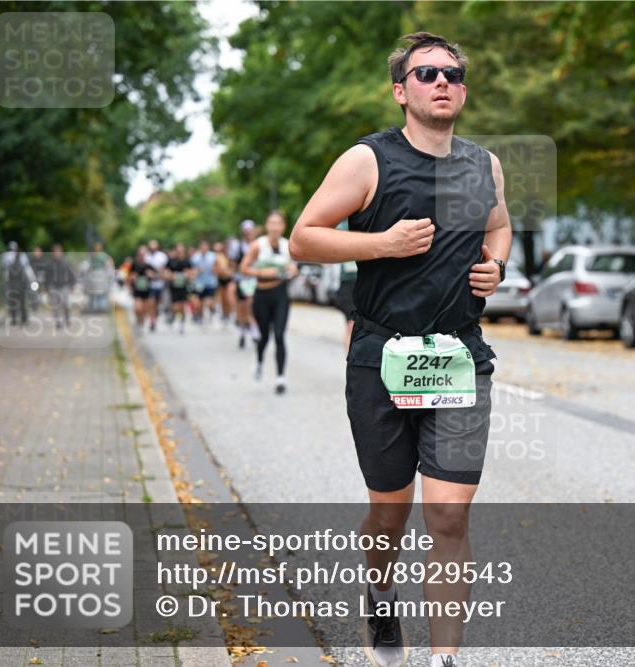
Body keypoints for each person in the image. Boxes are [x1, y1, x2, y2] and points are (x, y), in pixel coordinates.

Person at [288, 32, 510, 667]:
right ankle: (380, 589)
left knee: (448, 519)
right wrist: (382, 244)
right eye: (427, 73)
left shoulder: (483, 165)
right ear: (401, 91)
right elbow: (304, 239)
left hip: (461, 358)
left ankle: (442, 660)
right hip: (381, 359)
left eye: (454, 73)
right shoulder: (368, 160)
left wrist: (495, 265)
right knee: (390, 515)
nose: (443, 81)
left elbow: (498, 226)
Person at [240, 211, 298, 394]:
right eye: (272, 223)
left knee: (280, 335)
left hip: (280, 293)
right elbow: (244, 268)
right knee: (264, 336)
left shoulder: (287, 245)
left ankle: (281, 378)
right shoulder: (258, 245)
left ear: (283, 226)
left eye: (278, 223)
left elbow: (294, 268)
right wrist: (263, 273)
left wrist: (291, 271)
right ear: (266, 225)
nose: (275, 227)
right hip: (262, 294)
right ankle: (259, 362)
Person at [329, 220, 358, 353]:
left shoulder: (369, 219)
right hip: (346, 284)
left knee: (357, 326)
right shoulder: (340, 227)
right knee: (352, 324)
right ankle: (350, 360)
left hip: (365, 281)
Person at [231, 220, 260, 348]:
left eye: (250, 230)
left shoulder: (259, 245)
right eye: (246, 231)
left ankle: (253, 329)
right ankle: (243, 330)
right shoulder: (237, 246)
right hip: (242, 280)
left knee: (251, 305)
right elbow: (232, 263)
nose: (248, 233)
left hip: (254, 280)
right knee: (242, 307)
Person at [1, 241, 38, 326]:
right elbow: (28, 270)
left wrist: (6, 283)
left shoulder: (5, 256)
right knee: (22, 302)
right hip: (21, 284)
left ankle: (14, 320)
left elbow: (5, 273)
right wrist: (33, 280)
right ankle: (24, 319)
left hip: (12, 284)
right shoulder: (22, 256)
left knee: (13, 302)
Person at [164, 243, 193, 335]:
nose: (180, 252)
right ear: (175, 251)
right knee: (175, 306)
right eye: (178, 250)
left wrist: (187, 275)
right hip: (174, 287)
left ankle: (182, 323)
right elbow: (165, 272)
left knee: (182, 306)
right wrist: (171, 276)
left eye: (181, 251)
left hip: (184, 286)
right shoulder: (171, 261)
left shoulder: (187, 261)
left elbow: (192, 273)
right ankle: (176, 319)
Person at [45, 244, 77, 328]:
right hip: (54, 287)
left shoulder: (66, 263)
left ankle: (67, 318)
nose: (57, 253)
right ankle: (58, 322)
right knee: (55, 305)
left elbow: (71, 274)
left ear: (61, 253)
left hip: (64, 286)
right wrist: (47, 287)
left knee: (66, 304)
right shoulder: (50, 264)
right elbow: (47, 277)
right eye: (55, 252)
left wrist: (73, 285)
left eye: (58, 252)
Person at [191, 240, 219, 325]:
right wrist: (197, 271)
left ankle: (211, 312)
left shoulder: (213, 256)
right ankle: (201, 317)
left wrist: (215, 270)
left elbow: (217, 267)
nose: (204, 248)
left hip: (210, 282)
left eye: (205, 247)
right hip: (199, 283)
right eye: (202, 247)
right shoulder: (195, 257)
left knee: (209, 301)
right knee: (198, 302)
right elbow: (192, 270)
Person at [128, 246, 154, 331]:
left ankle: (141, 322)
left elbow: (158, 275)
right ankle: (138, 321)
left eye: (143, 254)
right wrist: (132, 279)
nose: (142, 256)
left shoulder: (148, 266)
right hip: (137, 290)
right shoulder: (134, 265)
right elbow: (127, 277)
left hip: (146, 290)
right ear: (138, 255)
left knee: (144, 309)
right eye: (140, 254)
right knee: (138, 308)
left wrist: (151, 275)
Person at [145, 239, 168, 331]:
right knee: (151, 303)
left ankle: (155, 318)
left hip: (161, 284)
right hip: (150, 285)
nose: (152, 248)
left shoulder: (162, 256)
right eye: (151, 247)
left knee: (157, 305)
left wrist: (158, 275)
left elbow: (165, 270)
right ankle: (152, 321)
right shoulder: (146, 257)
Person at [213, 240, 235, 325]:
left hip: (229, 279)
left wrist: (229, 272)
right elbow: (214, 269)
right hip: (221, 279)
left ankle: (229, 313)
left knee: (229, 297)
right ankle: (225, 314)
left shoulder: (230, 257)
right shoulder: (218, 257)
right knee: (223, 299)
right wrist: (219, 271)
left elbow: (233, 268)